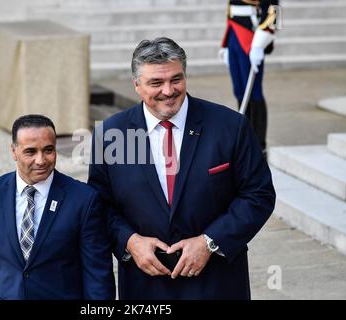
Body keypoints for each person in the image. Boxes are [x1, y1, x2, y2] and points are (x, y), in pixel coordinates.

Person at [88, 37, 275, 299]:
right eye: (156, 83)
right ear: (137, 86)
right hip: (146, 285)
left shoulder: (231, 126)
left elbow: (259, 195)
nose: (168, 90)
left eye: (176, 79)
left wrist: (210, 242)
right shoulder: (110, 135)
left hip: (217, 282)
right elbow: (98, 205)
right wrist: (130, 241)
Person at [0, 114, 115, 300]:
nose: (41, 160)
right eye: (30, 152)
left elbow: (97, 273)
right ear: (13, 151)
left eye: (48, 150)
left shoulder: (84, 200)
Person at [219, 0, 279, 155]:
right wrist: (226, 44)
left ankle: (259, 144)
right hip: (234, 34)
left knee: (253, 92)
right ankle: (245, 136)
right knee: (239, 91)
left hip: (251, 38)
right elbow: (231, 7)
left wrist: (260, 44)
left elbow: (275, 10)